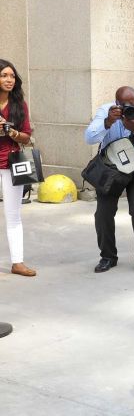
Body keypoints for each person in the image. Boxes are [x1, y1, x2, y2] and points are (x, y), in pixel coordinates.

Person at [85, 86, 134, 274]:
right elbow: (89, 138)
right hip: (111, 167)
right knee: (103, 212)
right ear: (116, 104)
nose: (128, 109)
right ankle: (107, 257)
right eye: (123, 105)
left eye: (132, 105)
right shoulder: (107, 111)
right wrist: (107, 122)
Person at [0, 59, 36, 277]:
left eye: (12, 76)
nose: (9, 80)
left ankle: (17, 262)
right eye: (4, 75)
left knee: (13, 214)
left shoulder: (19, 105)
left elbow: (26, 136)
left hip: (11, 163)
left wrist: (10, 132)